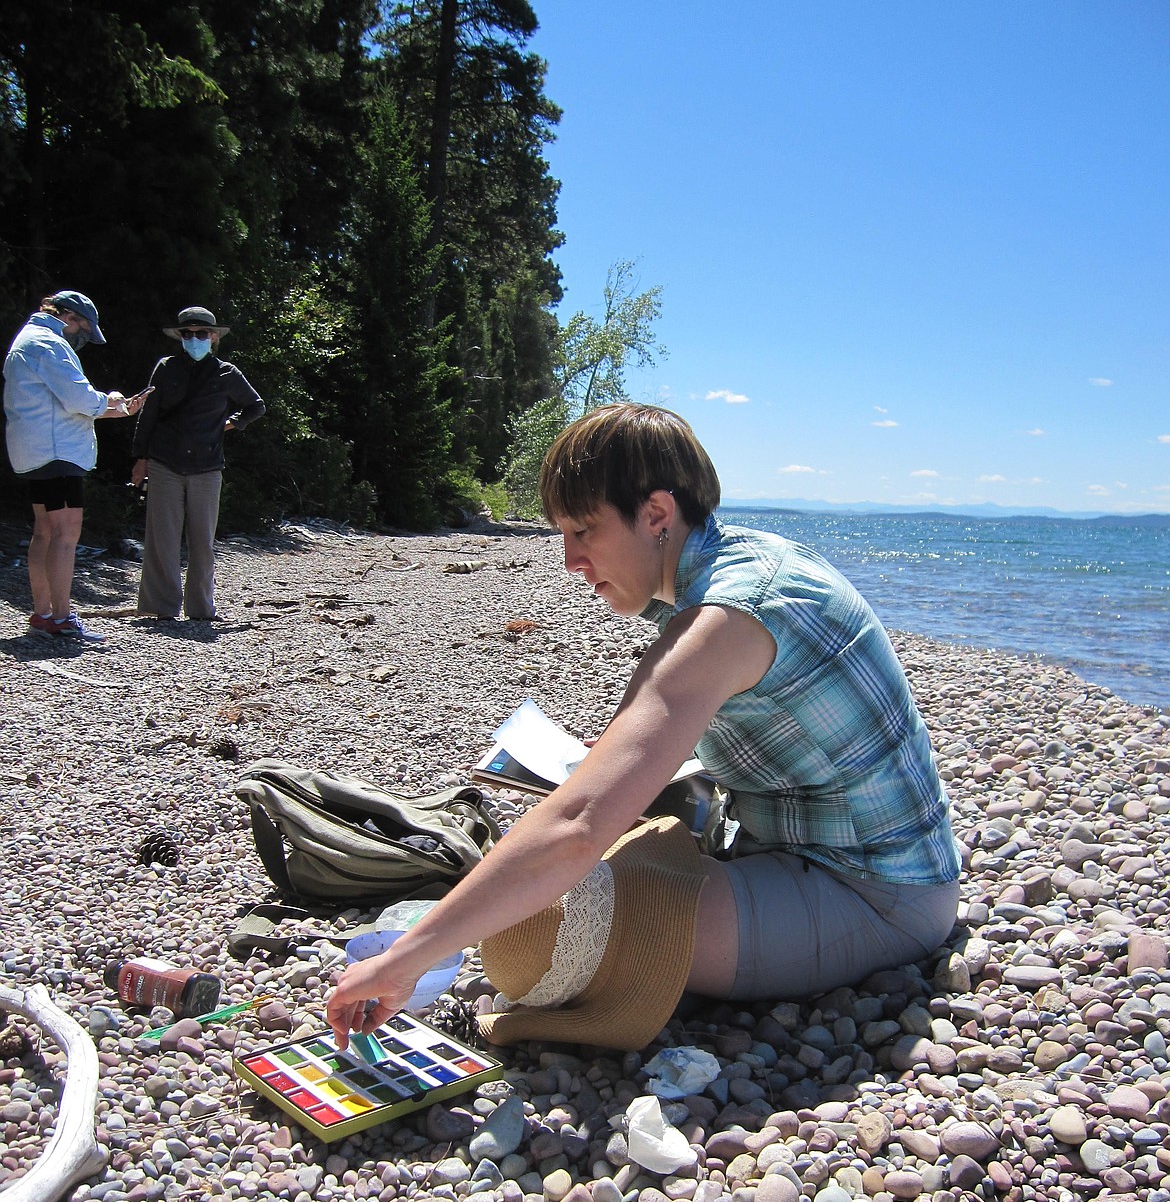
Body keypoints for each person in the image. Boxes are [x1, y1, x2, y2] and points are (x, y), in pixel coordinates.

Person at [327, 403, 961, 1052]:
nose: (570, 560)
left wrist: (402, 959)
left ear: (657, 514)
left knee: (526, 937)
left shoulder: (723, 619)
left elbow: (577, 828)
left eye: (583, 530)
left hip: (877, 895)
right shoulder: (745, 566)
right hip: (790, 843)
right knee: (559, 869)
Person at [3, 291, 149, 644]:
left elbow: (64, 403)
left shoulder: (26, 339)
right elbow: (80, 400)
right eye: (82, 327)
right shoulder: (49, 344)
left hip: (34, 453)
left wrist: (118, 409)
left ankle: (43, 614)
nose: (81, 336)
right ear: (68, 317)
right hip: (58, 456)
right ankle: (64, 618)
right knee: (66, 536)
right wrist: (112, 400)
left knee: (44, 532)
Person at [131, 306, 264, 622]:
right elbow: (147, 416)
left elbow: (255, 406)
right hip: (165, 461)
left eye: (201, 334)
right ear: (180, 337)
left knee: (202, 541)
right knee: (162, 536)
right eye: (187, 334)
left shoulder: (227, 373)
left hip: (207, 466)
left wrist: (230, 424)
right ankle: (160, 607)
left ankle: (201, 609)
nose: (194, 339)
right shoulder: (166, 368)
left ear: (214, 337)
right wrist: (140, 459)